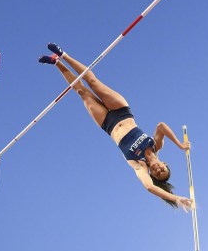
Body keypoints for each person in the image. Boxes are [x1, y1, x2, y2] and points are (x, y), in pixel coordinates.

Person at [38, 43, 193, 211]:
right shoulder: (156, 145)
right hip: (122, 111)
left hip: (107, 124)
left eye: (157, 174)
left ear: (152, 174)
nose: (157, 170)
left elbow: (149, 187)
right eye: (162, 170)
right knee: (92, 81)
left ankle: (56, 62)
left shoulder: (140, 166)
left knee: (82, 92)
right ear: (164, 163)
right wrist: (179, 144)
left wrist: (176, 199)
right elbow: (161, 126)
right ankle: (63, 54)